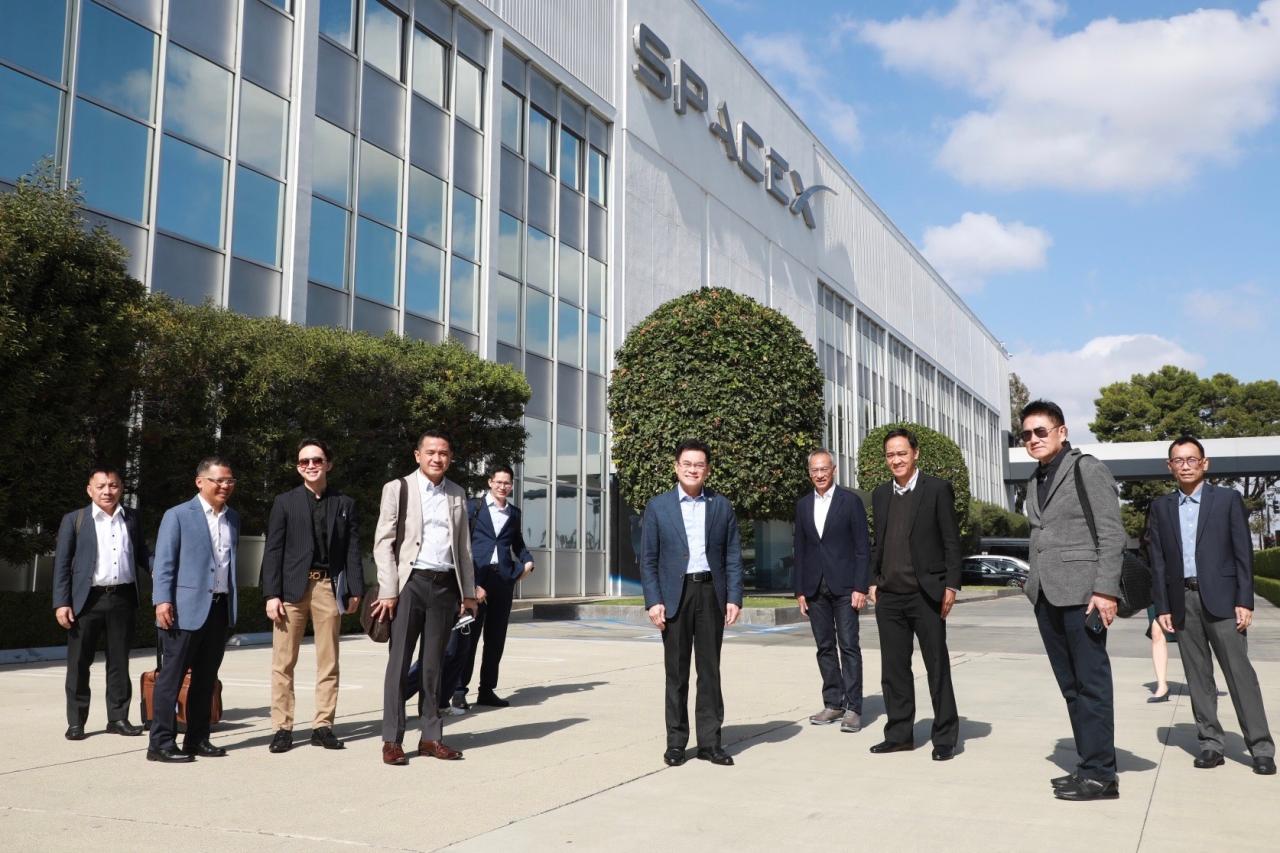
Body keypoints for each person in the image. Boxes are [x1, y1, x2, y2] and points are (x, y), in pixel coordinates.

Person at [1148, 436, 1275, 775]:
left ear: (1205, 463)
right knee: (1197, 676)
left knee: (1240, 674)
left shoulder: (1227, 500)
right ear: (1170, 466)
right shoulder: (1161, 508)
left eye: (1192, 459)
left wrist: (1244, 600)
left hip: (1223, 601)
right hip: (1182, 601)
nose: (1186, 465)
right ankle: (1210, 744)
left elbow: (1243, 553)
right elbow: (1158, 561)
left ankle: (1261, 747)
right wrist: (1162, 607)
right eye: (1178, 460)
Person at [1021, 400, 1123, 801]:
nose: (1033, 439)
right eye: (1026, 434)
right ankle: (1088, 766)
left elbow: (1111, 533)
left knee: (1091, 684)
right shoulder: (1036, 478)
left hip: (1084, 595)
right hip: (1046, 595)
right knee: (1071, 687)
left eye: (1040, 431)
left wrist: (1105, 590)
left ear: (1061, 432)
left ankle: (1102, 775)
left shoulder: (1086, 469)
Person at [372, 430, 477, 766]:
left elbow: (464, 548)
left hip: (445, 586)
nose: (437, 458)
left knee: (433, 665)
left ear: (450, 458)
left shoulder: (457, 493)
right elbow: (383, 542)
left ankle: (431, 737)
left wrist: (469, 593)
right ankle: (392, 740)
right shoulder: (398, 488)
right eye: (430, 452)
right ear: (417, 455)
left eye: (443, 453)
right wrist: (389, 589)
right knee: (399, 664)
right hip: (410, 584)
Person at [640, 439, 743, 768]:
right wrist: (653, 601)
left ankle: (710, 743)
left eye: (699, 464)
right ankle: (676, 743)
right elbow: (648, 559)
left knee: (710, 671)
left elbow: (733, 555)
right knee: (677, 672)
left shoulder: (721, 506)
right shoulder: (658, 507)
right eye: (687, 464)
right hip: (675, 595)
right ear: (676, 467)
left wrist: (734, 597)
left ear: (707, 470)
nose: (693, 469)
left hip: (711, 593)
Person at [259, 438, 363, 754]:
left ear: (328, 464)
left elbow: (352, 549)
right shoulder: (285, 502)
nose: (311, 466)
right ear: (298, 467)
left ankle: (322, 726)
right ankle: (282, 728)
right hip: (290, 591)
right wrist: (271, 594)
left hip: (327, 588)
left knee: (328, 661)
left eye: (317, 460)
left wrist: (355, 588)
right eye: (304, 461)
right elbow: (273, 550)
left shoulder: (344, 503)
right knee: (282, 662)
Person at [867, 428, 963, 761]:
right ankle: (899, 735)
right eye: (890, 455)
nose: (896, 460)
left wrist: (951, 585)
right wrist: (873, 580)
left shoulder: (936, 489)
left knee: (937, 666)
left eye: (901, 453)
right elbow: (878, 542)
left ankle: (945, 737)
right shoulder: (880, 494)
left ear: (915, 453)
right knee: (893, 670)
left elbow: (951, 541)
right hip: (890, 597)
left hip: (926, 594)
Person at [147, 457, 240, 763]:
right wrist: (162, 601)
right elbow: (164, 562)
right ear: (200, 482)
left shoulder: (233, 518)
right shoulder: (177, 515)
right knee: (171, 679)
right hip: (183, 610)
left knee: (206, 678)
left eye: (229, 481)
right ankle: (160, 743)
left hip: (219, 608)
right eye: (218, 480)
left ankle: (197, 739)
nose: (225, 486)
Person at [52, 465, 150, 740]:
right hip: (87, 601)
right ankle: (76, 722)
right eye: (101, 486)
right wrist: (61, 602)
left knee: (119, 662)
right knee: (79, 663)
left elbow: (141, 552)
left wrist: (159, 569)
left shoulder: (131, 517)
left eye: (114, 485)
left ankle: (118, 718)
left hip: (122, 598)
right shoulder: (75, 520)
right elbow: (62, 564)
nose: (108, 491)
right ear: (90, 490)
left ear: (121, 488)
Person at [792, 449, 870, 734]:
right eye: (815, 470)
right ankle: (833, 703)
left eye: (824, 469)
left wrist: (861, 586)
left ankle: (853, 708)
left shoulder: (850, 502)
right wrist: (800, 590)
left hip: (846, 587)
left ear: (833, 470)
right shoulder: (803, 506)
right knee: (824, 647)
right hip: (814, 588)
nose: (820, 474)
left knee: (848, 646)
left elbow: (863, 548)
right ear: (809, 473)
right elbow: (800, 549)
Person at [453, 464, 535, 710]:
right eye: (498, 482)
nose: (502, 487)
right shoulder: (473, 507)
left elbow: (517, 543)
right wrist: (469, 583)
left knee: (496, 638)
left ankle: (487, 690)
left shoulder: (514, 513)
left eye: (507, 483)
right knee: (469, 637)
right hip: (476, 579)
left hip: (503, 580)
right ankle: (459, 690)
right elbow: (460, 542)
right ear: (490, 482)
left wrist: (528, 561)